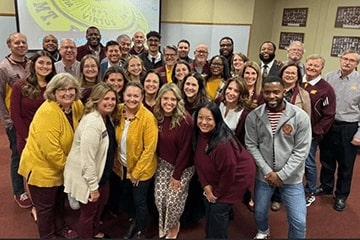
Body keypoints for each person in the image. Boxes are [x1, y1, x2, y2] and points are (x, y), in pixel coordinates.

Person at [18, 73, 84, 238]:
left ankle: (60, 227)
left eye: (71, 89)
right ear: (53, 92)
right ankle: (47, 235)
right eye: (62, 90)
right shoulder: (47, 112)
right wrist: (72, 170)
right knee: (46, 208)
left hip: (62, 167)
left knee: (59, 202)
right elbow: (51, 152)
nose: (67, 93)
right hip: (42, 169)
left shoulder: (76, 105)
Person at [245, 76, 312, 239]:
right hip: (264, 175)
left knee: (299, 221)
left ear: (284, 92)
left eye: (276, 92)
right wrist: (268, 172)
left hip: (292, 178)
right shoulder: (254, 116)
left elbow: (301, 150)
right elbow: (251, 145)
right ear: (263, 93)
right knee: (259, 211)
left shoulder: (300, 116)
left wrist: (281, 175)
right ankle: (263, 231)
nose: (272, 96)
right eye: (267, 92)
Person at [192, 101, 256, 238]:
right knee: (209, 207)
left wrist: (216, 193)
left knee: (217, 210)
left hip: (234, 180)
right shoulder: (199, 134)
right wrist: (206, 186)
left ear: (217, 120)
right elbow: (199, 161)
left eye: (209, 119)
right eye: (200, 118)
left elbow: (228, 174)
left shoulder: (222, 144)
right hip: (216, 177)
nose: (203, 122)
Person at [63, 83, 118, 238]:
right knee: (88, 214)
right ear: (96, 100)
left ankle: (95, 232)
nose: (110, 102)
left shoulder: (106, 118)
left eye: (113, 99)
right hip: (89, 178)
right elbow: (87, 160)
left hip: (103, 174)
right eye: (105, 98)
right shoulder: (92, 123)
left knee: (97, 210)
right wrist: (93, 188)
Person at [10, 50, 56, 221]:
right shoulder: (20, 86)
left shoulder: (55, 86)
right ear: (33, 65)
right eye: (41, 63)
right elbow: (15, 115)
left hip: (51, 138)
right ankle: (37, 206)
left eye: (48, 64)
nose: (45, 66)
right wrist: (28, 137)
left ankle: (51, 205)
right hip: (28, 138)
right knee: (33, 175)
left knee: (50, 172)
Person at [112, 82, 158, 238]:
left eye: (136, 96)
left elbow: (149, 150)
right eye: (129, 95)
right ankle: (134, 221)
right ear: (123, 96)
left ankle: (141, 230)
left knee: (140, 201)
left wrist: (137, 173)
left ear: (142, 98)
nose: (132, 99)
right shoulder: (118, 110)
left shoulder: (148, 118)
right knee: (127, 198)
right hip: (123, 166)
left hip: (141, 169)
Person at [318, 50, 360, 211]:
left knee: (346, 165)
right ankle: (326, 186)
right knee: (326, 159)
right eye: (345, 59)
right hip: (330, 125)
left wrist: (359, 134)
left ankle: (341, 195)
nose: (347, 62)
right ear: (340, 60)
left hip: (349, 127)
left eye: (352, 60)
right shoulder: (329, 77)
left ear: (356, 64)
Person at [153, 83, 195, 239]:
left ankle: (173, 224)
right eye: (165, 98)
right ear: (160, 99)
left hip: (183, 166)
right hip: (163, 163)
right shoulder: (157, 115)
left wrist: (177, 175)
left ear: (178, 101)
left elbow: (185, 151)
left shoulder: (186, 120)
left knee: (171, 201)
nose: (168, 102)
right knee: (159, 198)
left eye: (173, 99)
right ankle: (164, 225)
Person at [270, 63, 312, 211]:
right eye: (287, 72)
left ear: (298, 76)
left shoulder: (303, 95)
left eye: (293, 73)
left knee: (285, 166)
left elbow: (307, 118)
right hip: (271, 134)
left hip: (290, 138)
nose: (289, 75)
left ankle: (278, 197)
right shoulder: (272, 90)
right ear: (281, 74)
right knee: (271, 163)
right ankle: (269, 192)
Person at [0, 32, 32, 209]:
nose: (21, 45)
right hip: (14, 120)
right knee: (17, 155)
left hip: (32, 119)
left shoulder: (31, 64)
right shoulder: (4, 67)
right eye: (17, 42)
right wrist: (8, 120)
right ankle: (19, 190)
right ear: (9, 45)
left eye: (23, 42)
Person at [302, 54, 336, 207]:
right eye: (310, 64)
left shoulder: (326, 89)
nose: (312, 68)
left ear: (322, 68)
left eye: (316, 66)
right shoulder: (298, 82)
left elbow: (329, 115)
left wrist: (317, 132)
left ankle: (310, 190)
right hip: (291, 131)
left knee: (308, 161)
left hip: (311, 134)